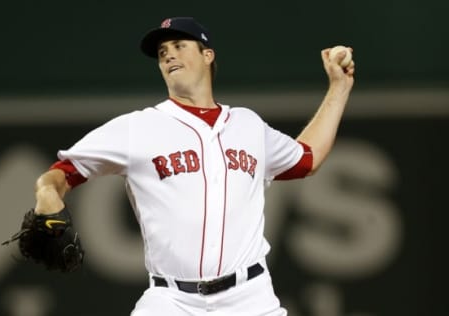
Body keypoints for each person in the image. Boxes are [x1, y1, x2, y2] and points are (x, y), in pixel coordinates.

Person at [33, 16, 355, 316]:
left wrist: (339, 89)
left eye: (179, 46)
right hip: (171, 300)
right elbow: (64, 170)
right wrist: (47, 190)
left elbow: (307, 158)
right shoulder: (138, 127)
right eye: (162, 52)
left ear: (207, 55)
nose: (169, 56)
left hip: (250, 297)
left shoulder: (248, 126)